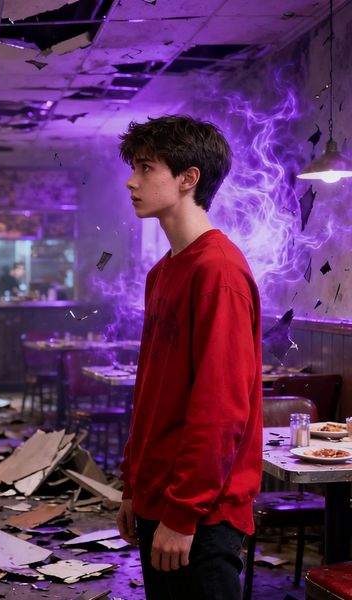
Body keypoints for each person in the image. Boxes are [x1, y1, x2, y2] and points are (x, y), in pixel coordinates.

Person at [115, 115, 262, 599]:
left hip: (202, 512)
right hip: (159, 495)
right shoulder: (162, 272)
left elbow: (221, 407)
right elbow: (151, 392)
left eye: (145, 168)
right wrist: (133, 486)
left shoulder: (218, 270)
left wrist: (182, 513)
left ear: (188, 178)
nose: (132, 181)